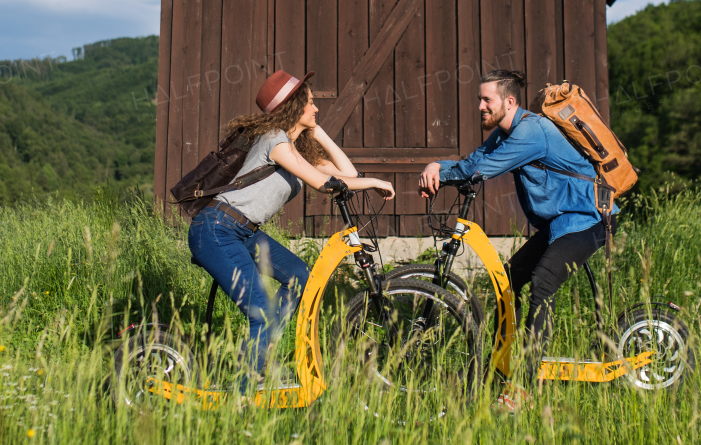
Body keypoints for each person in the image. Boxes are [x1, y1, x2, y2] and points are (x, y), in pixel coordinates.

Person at [189, 69, 394, 387]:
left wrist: (318, 131)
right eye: (310, 103)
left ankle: (263, 351)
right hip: (218, 229)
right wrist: (376, 181)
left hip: (244, 232)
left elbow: (347, 174)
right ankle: (243, 392)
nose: (316, 108)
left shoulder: (299, 150)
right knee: (261, 313)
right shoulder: (274, 141)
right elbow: (325, 184)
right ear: (293, 107)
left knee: (300, 278)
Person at [418, 69, 615, 399]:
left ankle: (523, 386)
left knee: (542, 283)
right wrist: (438, 166)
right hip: (559, 224)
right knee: (507, 282)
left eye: (486, 100)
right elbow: (474, 160)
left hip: (587, 220)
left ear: (509, 102)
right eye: (479, 99)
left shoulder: (530, 133)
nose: (480, 106)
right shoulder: (504, 132)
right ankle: (499, 370)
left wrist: (437, 167)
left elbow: (479, 171)